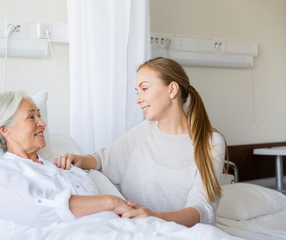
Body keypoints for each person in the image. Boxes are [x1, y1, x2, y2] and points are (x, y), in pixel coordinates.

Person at [55, 57, 227, 227]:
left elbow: (202, 209)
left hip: (177, 232)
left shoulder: (210, 142)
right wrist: (78, 159)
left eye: (144, 89)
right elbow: (104, 160)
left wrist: (154, 217)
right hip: (134, 229)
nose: (138, 99)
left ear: (172, 89)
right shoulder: (144, 130)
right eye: (137, 92)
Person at [0, 91, 133, 238]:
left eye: (39, 116)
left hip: (123, 228)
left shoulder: (63, 167)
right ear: (6, 131)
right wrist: (111, 202)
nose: (42, 123)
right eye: (31, 117)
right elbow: (36, 209)